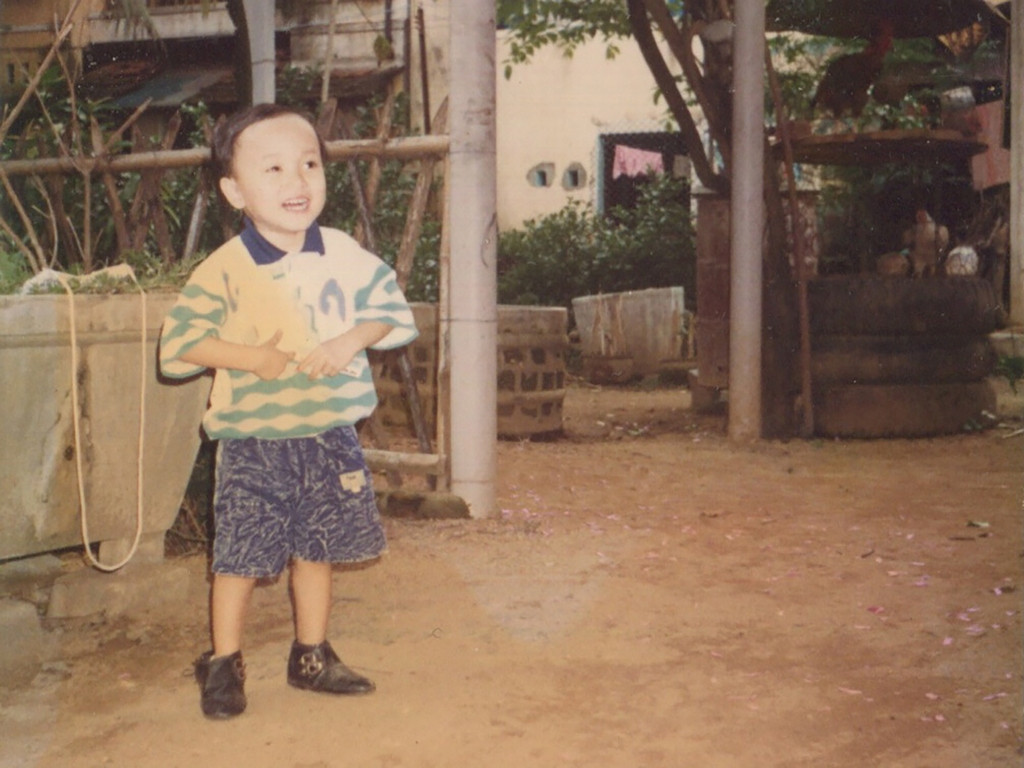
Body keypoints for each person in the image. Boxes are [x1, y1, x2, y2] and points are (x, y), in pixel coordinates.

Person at [159, 103, 417, 719]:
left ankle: (312, 656)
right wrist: (250, 357)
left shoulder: (343, 253)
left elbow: (392, 312)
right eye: (272, 168)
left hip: (328, 434)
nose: (296, 181)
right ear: (234, 191)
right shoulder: (225, 269)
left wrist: (350, 340)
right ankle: (224, 663)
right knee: (240, 558)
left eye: (309, 164)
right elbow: (178, 347)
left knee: (318, 548)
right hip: (254, 442)